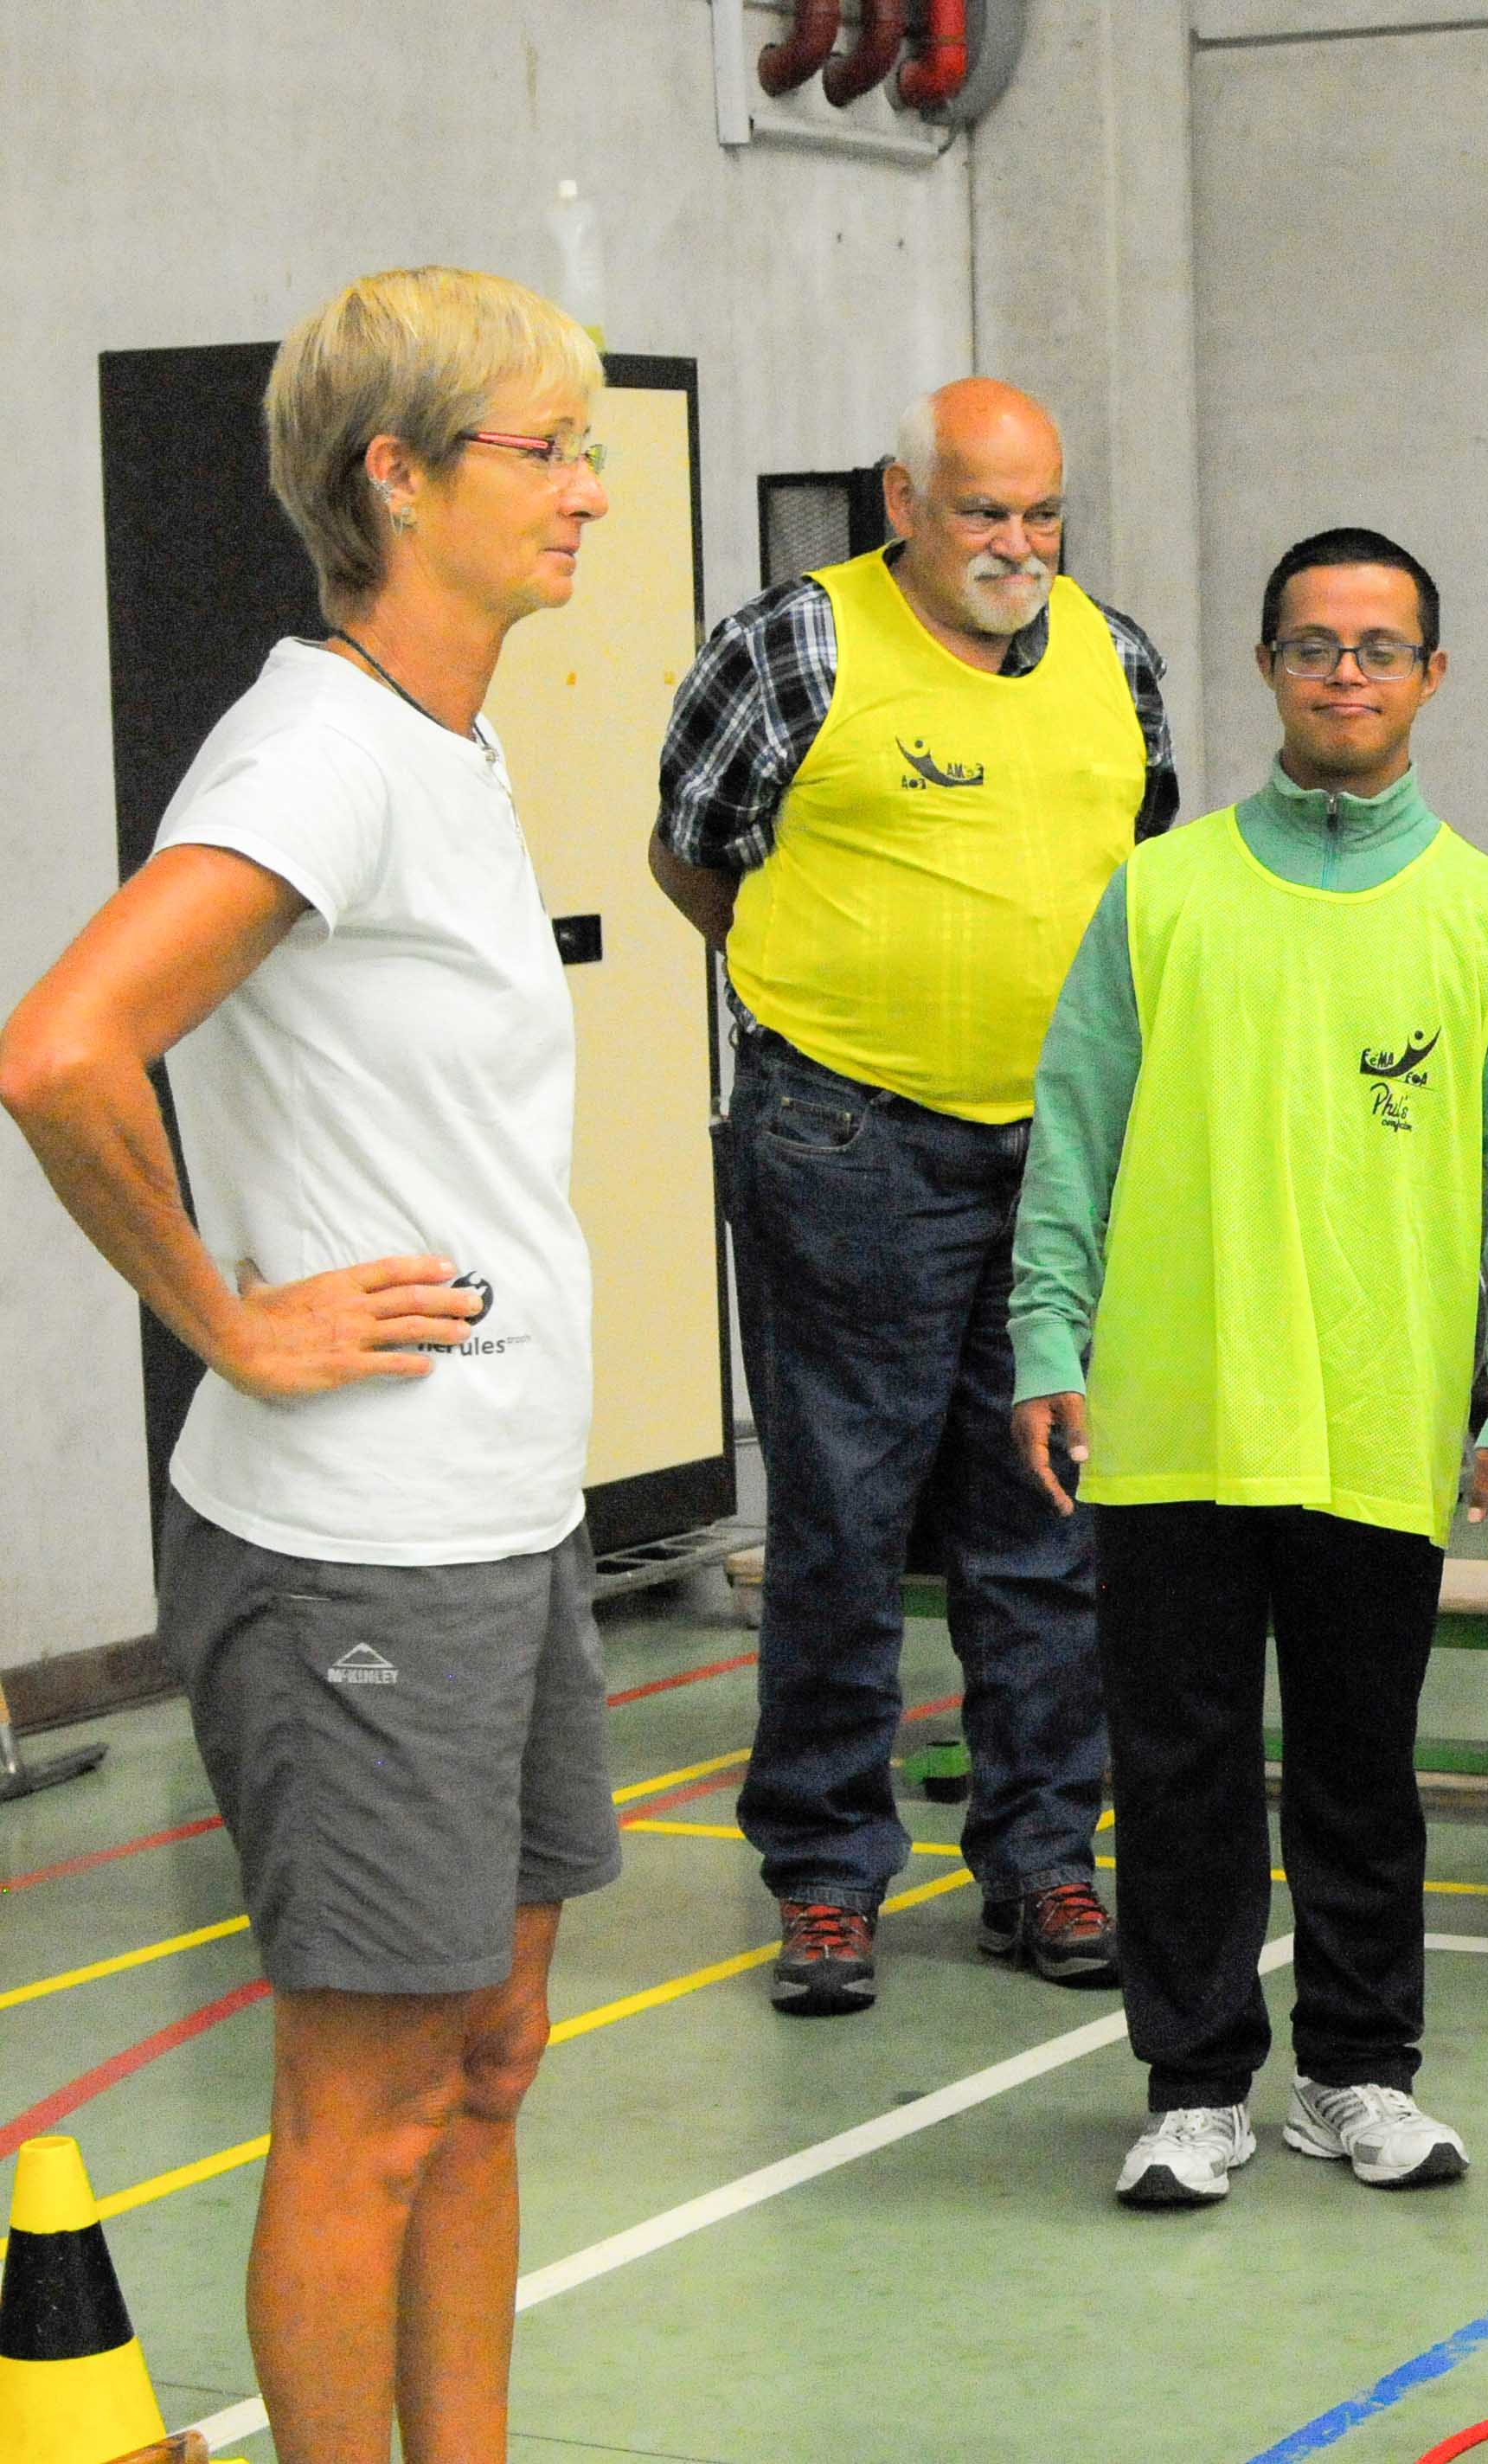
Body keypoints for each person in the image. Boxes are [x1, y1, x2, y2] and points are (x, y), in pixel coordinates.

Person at [0, 266, 614, 2461]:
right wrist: (226, 1318)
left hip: (501, 1514)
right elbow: (63, 1049)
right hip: (361, 1548)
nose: (588, 489)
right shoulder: (322, 753)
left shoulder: (443, 744)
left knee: (490, 2058)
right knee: (369, 2108)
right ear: (397, 475)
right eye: (546, 449)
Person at [1008, 528, 1488, 2209]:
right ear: (1265, 666)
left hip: (1374, 1416)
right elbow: (1073, 1131)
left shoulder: (1485, 912)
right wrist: (1046, 1334)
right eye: (1315, 644)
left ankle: (1356, 2071)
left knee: (1359, 1765)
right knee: (1176, 1767)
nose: (1347, 673)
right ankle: (1193, 2084)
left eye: (1379, 647)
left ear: (1430, 675)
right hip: (1172, 1412)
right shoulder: (1161, 891)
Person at [649, 378, 1178, 2015]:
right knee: (842, 1520)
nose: (1018, 544)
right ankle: (825, 1875)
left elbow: (1135, 862)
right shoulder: (794, 647)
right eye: (981, 512)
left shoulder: (1117, 659)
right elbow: (692, 851)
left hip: (1063, 1152)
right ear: (902, 500)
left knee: (1047, 1519)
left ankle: (1042, 1857)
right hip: (845, 1144)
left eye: (1043, 512)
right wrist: (835, 995)